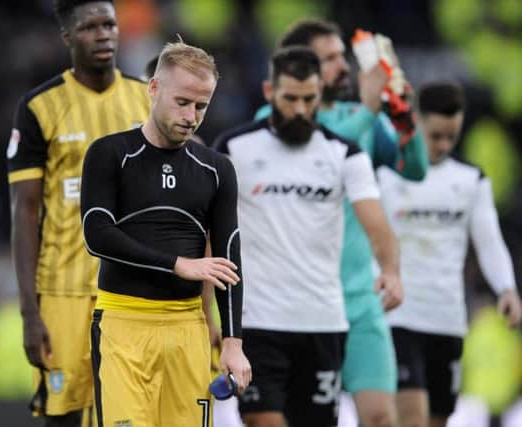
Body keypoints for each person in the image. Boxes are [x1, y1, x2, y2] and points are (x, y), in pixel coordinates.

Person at [215, 46, 401, 427]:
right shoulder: (234, 149)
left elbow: (377, 224)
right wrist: (209, 313)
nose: (300, 109)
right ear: (269, 92)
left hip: (322, 322)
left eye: (308, 99)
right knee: (261, 420)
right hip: (258, 322)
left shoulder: (344, 154)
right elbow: (210, 231)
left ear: (320, 94)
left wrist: (392, 270)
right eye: (290, 99)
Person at [255, 19, 428, 427]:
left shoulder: (357, 115)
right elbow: (318, 153)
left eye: (341, 56)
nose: (342, 66)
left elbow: (415, 169)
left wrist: (401, 111)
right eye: (328, 59)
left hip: (359, 297)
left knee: (382, 417)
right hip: (300, 302)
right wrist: (370, 110)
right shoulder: (275, 116)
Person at [80, 40, 251, 427]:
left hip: (187, 330)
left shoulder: (216, 169)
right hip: (123, 324)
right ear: (154, 89)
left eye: (201, 106)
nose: (192, 116)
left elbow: (228, 257)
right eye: (182, 102)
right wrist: (177, 265)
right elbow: (96, 233)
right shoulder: (109, 154)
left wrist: (232, 342)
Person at [7, 1, 151, 425]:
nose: (104, 34)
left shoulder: (146, 99)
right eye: (90, 27)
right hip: (63, 293)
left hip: (131, 290)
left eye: (109, 24)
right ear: (68, 37)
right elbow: (25, 211)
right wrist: (30, 314)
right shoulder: (39, 108)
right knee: (65, 416)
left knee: (128, 414)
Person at [377, 82, 522, 427]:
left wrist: (506, 288)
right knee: (409, 413)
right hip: (402, 315)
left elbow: (489, 242)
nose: (443, 144)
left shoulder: (470, 182)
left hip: (447, 319)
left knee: (438, 417)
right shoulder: (387, 178)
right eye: (435, 135)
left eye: (450, 136)